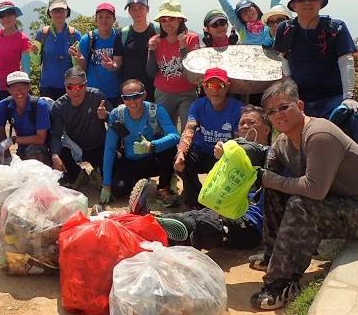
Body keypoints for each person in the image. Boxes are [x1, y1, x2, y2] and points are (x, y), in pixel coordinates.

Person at [250, 78, 358, 310]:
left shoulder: (319, 133)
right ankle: (273, 255)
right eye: (272, 112)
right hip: (334, 201)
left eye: (284, 107)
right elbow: (265, 173)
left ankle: (282, 282)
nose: (279, 115)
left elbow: (314, 189)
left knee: (301, 203)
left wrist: (269, 179)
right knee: (276, 189)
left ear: (300, 106)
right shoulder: (283, 142)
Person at [143, 105, 271, 250]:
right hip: (223, 210)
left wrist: (229, 151)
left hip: (250, 222)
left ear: (266, 129)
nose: (245, 126)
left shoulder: (271, 155)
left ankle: (153, 227)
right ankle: (145, 223)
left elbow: (254, 152)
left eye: (252, 123)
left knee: (201, 225)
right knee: (191, 216)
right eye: (242, 123)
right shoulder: (235, 153)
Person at [273, 0, 358, 161]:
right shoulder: (286, 29)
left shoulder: (335, 28)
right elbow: (285, 60)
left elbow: (346, 62)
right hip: (301, 99)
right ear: (294, 6)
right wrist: (289, 96)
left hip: (333, 98)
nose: (307, 2)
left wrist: (348, 97)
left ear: (320, 2)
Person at [174, 67, 244, 208]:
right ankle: (196, 200)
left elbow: (240, 140)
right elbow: (189, 130)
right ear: (204, 88)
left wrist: (226, 151)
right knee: (182, 161)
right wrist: (181, 152)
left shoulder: (239, 109)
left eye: (220, 85)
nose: (215, 90)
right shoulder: (198, 105)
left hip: (224, 157)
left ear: (227, 87)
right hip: (201, 152)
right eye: (210, 85)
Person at [101, 79, 179, 205]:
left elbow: (175, 136)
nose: (132, 101)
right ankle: (140, 182)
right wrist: (107, 185)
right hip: (131, 162)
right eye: (127, 98)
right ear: (122, 99)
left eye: (136, 96)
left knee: (170, 148)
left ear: (144, 95)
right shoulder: (116, 115)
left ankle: (164, 186)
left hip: (153, 160)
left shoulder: (156, 110)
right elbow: (109, 148)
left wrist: (152, 146)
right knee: (117, 190)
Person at [49, 68, 109, 187]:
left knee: (114, 168)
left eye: (79, 86)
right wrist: (55, 156)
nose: (75, 90)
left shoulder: (97, 97)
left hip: (98, 146)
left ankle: (97, 172)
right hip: (75, 148)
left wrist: (106, 115)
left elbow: (115, 119)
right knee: (57, 150)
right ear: (65, 86)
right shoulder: (59, 106)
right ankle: (78, 174)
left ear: (86, 84)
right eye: (70, 87)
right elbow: (56, 134)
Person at [147, 0, 200, 131]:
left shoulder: (191, 39)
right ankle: (168, 152)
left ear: (180, 20)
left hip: (187, 92)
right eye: (163, 20)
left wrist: (183, 48)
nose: (167, 23)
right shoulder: (155, 41)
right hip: (163, 93)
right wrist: (151, 52)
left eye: (171, 19)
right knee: (164, 130)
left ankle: (185, 152)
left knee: (189, 129)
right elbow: (151, 72)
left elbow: (193, 69)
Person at [70, 2, 123, 106]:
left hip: (114, 92)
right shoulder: (87, 39)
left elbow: (119, 63)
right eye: (100, 17)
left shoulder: (118, 37)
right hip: (92, 92)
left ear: (114, 19)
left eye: (108, 17)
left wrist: (112, 66)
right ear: (95, 19)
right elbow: (82, 69)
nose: (104, 20)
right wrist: (80, 59)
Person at [0, 71, 51, 164]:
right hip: (22, 147)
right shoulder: (4, 105)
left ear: (29, 87)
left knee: (33, 152)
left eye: (23, 87)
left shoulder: (39, 105)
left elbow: (40, 138)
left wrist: (12, 140)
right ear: (8, 90)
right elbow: (0, 131)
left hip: (42, 147)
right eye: (14, 88)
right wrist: (7, 154)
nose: (19, 92)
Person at [31, 0, 82, 100]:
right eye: (55, 10)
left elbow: (78, 65)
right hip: (47, 86)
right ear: (49, 13)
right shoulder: (42, 34)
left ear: (67, 12)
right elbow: (36, 63)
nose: (59, 13)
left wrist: (74, 56)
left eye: (62, 10)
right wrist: (34, 53)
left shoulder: (74, 34)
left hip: (70, 86)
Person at [120, 0, 158, 101]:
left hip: (154, 88)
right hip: (129, 90)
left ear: (147, 9)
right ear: (129, 11)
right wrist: (112, 65)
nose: (137, 12)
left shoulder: (157, 31)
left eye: (141, 8)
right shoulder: (123, 33)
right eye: (133, 9)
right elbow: (118, 62)